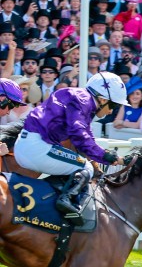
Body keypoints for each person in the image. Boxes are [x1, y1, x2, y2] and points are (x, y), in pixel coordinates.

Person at [14, 72, 127, 225]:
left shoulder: (81, 99)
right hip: (37, 147)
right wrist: (106, 156)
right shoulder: (83, 100)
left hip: (30, 144)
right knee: (85, 166)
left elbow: (87, 136)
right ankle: (65, 202)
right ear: (102, 99)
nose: (111, 111)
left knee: (76, 166)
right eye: (113, 105)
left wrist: (104, 156)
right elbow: (79, 135)